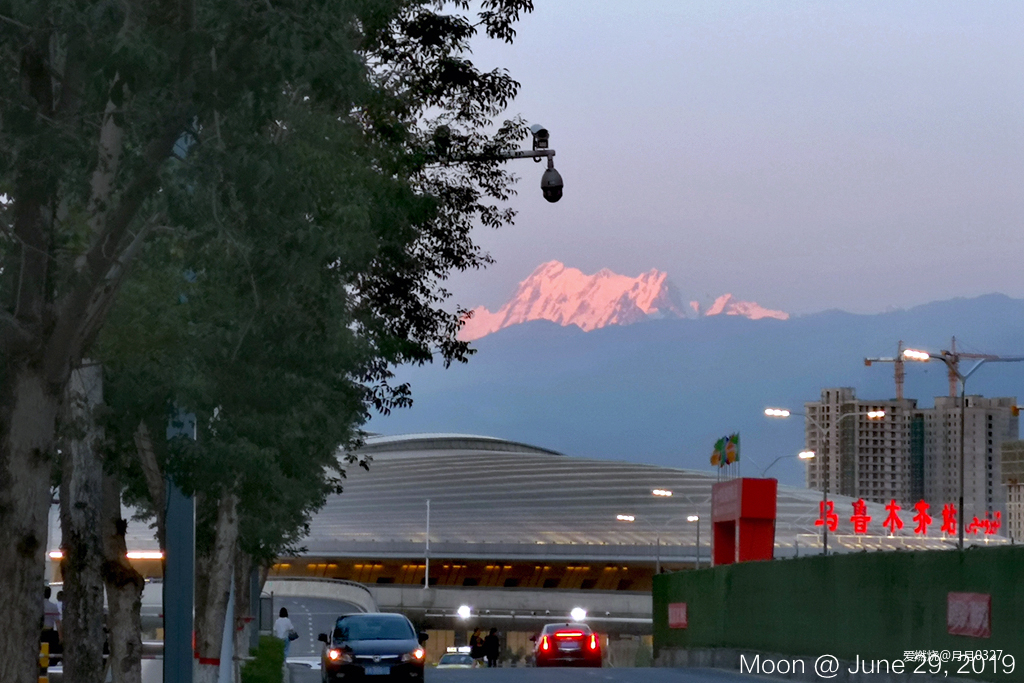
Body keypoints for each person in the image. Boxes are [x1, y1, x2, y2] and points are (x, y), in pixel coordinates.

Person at [41, 586, 61, 659]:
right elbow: (58, 622)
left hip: (40, 632)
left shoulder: (38, 606)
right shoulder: (53, 606)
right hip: (49, 631)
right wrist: (60, 636)